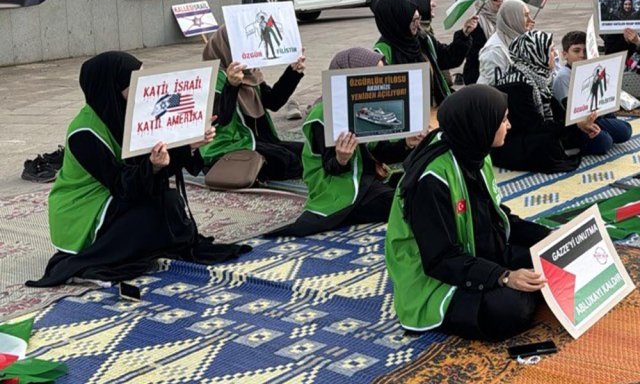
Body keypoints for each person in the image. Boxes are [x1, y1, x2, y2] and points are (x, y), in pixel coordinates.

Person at [29, 52, 249, 287]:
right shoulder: (84, 133)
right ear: (113, 84)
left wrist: (188, 146)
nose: (143, 86)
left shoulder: (129, 115)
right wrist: (152, 166)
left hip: (119, 195)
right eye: (136, 80)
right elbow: (122, 184)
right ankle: (93, 259)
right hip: (85, 209)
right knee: (149, 217)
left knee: (170, 204)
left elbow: (154, 169)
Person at [385, 86, 551, 339]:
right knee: (509, 309)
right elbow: (440, 259)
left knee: (546, 259)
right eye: (503, 119)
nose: (509, 125)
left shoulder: (475, 152)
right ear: (480, 123)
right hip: (435, 279)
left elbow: (496, 216)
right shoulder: (431, 180)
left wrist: (548, 236)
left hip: (474, 251)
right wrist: (503, 276)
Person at [270, 48, 424, 237]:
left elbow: (379, 152)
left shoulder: (366, 107)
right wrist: (342, 158)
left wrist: (407, 144)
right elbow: (330, 168)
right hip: (338, 187)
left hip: (365, 178)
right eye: (373, 74)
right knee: (407, 202)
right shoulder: (322, 115)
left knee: (421, 182)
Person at [201, 27, 305, 180]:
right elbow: (222, 119)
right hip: (229, 145)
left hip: (258, 140)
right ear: (225, 48)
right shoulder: (213, 80)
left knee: (307, 152)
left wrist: (293, 72)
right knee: (287, 160)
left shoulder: (250, 74)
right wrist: (231, 86)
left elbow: (273, 102)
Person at [490, 30, 580, 173]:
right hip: (510, 143)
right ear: (536, 54)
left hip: (531, 132)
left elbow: (556, 111)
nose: (555, 54)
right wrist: (573, 124)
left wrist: (578, 123)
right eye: (550, 50)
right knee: (546, 142)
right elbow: (535, 127)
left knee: (580, 132)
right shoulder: (517, 85)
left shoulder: (540, 77)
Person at [553, 31, 633, 156]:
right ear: (564, 55)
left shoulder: (587, 69)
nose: (582, 55)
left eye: (585, 51)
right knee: (605, 141)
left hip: (595, 116)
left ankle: (603, 132)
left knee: (626, 130)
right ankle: (581, 146)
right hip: (576, 126)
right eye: (576, 51)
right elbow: (571, 113)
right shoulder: (563, 76)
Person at [403, 0, 479, 105]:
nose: (434, 4)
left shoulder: (426, 36)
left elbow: (446, 57)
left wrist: (464, 35)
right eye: (429, 0)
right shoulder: (407, 41)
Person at [478, 0, 533, 86]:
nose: (531, 20)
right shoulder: (494, 51)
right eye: (526, 15)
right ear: (513, 18)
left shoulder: (519, 40)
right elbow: (497, 85)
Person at [462, 0, 504, 85]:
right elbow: (474, 55)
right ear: (484, 3)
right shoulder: (475, 24)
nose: (500, 0)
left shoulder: (501, 19)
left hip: (497, 73)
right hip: (478, 76)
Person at [373, 0, 426, 66]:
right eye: (413, 20)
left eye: (418, 18)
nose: (418, 24)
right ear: (399, 21)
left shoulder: (420, 39)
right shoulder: (382, 51)